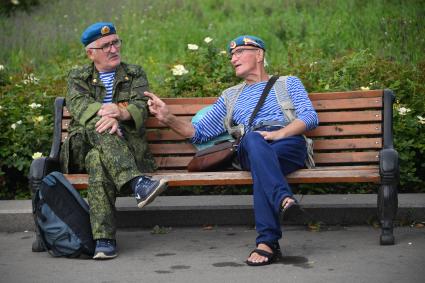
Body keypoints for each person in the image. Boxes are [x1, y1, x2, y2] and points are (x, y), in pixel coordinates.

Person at [145, 35, 318, 266]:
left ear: (259, 54)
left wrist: (279, 134)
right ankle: (281, 200)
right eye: (231, 55)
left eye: (239, 53)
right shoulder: (230, 96)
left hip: (287, 142)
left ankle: (268, 241)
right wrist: (168, 118)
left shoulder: (288, 83)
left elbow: (309, 117)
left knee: (261, 166)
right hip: (251, 145)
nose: (233, 58)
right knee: (254, 142)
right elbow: (199, 132)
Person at [60, 22, 167, 260]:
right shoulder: (79, 76)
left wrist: (120, 113)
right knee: (96, 125)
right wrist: (109, 116)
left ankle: (104, 240)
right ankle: (137, 182)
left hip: (121, 147)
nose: (113, 49)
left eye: (115, 42)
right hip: (82, 145)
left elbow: (141, 105)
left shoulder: (135, 73)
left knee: (98, 160)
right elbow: (80, 106)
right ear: (91, 53)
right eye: (105, 45)